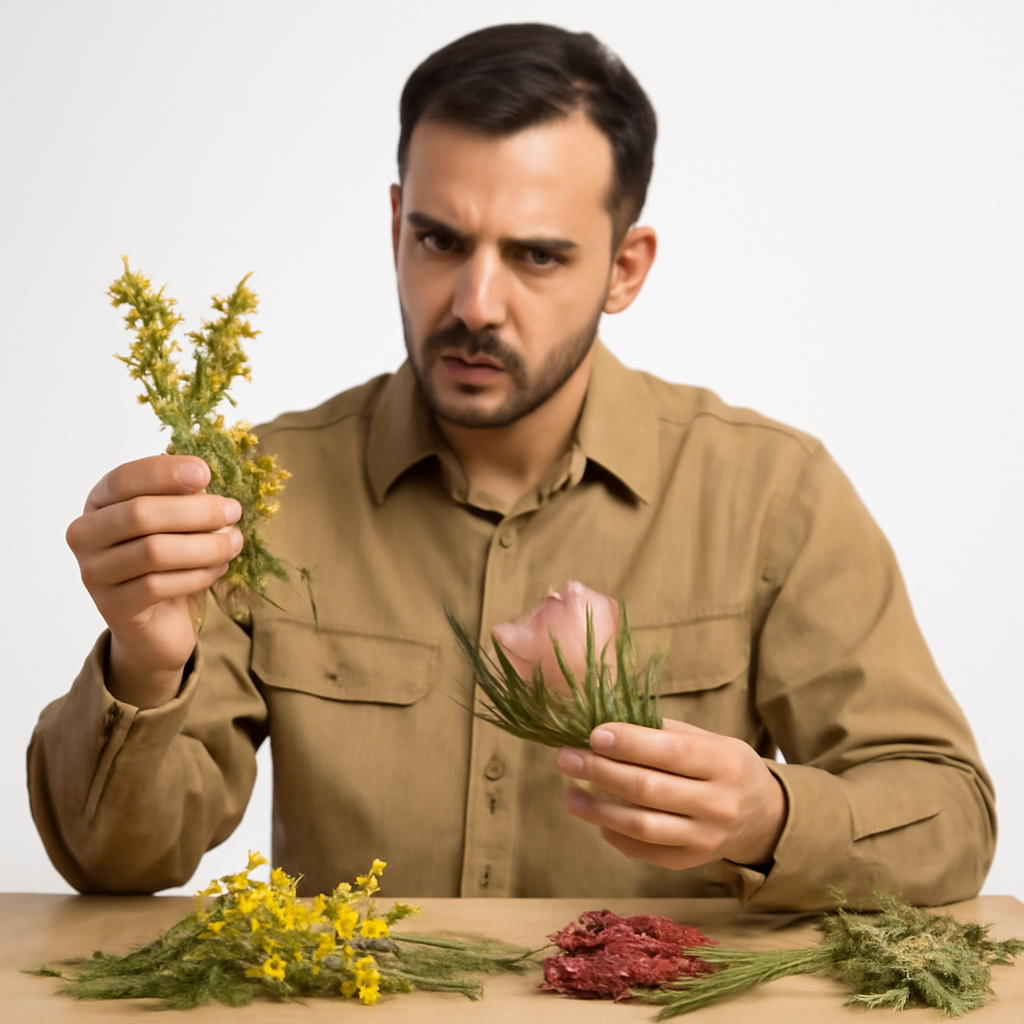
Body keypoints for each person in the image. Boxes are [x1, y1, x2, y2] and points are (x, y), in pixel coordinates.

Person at [29, 23, 994, 910]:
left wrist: (773, 818)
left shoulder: (771, 494)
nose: (476, 302)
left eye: (536, 255)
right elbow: (114, 862)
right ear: (396, 222)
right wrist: (147, 663)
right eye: (440, 241)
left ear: (626, 267)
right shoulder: (258, 492)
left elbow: (949, 814)